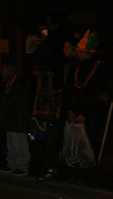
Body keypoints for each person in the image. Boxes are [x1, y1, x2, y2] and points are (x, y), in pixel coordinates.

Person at [40, 30, 108, 182]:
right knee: (58, 136)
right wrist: (69, 109)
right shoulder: (74, 68)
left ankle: (86, 176)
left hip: (90, 113)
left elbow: (98, 94)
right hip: (72, 111)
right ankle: (65, 170)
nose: (78, 54)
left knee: (87, 142)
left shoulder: (100, 70)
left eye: (81, 51)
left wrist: (85, 113)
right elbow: (68, 90)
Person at [0, 64, 33, 176]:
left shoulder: (21, 83)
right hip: (10, 118)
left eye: (4, 68)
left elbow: (19, 101)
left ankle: (22, 166)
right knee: (11, 142)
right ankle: (12, 164)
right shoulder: (8, 83)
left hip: (18, 117)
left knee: (19, 142)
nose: (2, 71)